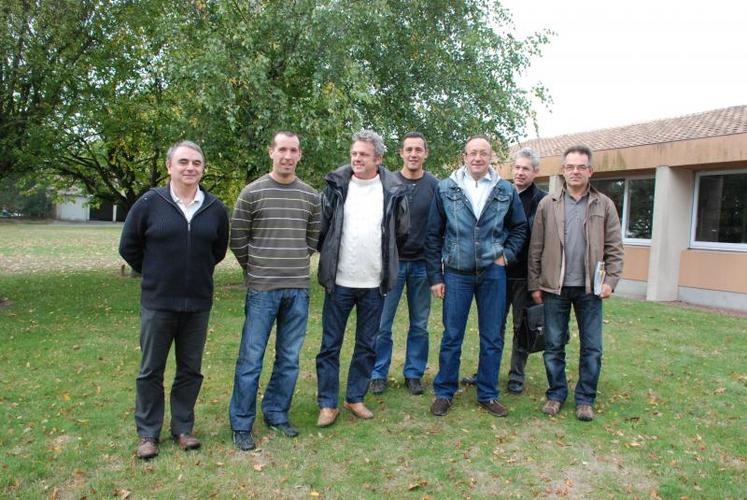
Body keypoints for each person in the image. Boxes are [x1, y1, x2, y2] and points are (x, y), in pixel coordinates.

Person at [119, 140, 229, 459]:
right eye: (183, 162)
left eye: (196, 163)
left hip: (197, 304)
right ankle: (148, 434)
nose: (190, 168)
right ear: (170, 166)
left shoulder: (214, 208)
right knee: (151, 370)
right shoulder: (149, 203)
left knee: (190, 370)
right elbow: (129, 246)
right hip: (158, 304)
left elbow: (217, 251)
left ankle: (183, 428)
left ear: (203, 168)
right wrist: (154, 273)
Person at [228, 131, 320, 451]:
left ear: (299, 154)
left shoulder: (311, 196)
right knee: (251, 359)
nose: (287, 155)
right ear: (271, 152)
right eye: (282, 149)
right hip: (262, 290)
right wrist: (253, 267)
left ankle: (277, 412)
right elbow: (238, 237)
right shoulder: (252, 192)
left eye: (293, 150)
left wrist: (292, 261)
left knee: (289, 359)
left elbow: (313, 238)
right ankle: (241, 423)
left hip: (297, 289)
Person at [425, 135, 527, 418]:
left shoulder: (505, 189)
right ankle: (444, 392)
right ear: (464, 156)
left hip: (493, 274)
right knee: (452, 335)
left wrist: (505, 255)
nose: (478, 158)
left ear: (491, 156)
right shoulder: (446, 188)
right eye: (473, 153)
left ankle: (487, 393)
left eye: (483, 153)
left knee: (492, 336)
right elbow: (433, 234)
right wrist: (436, 276)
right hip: (456, 274)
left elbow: (519, 228)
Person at [315, 129, 409, 426]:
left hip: (374, 284)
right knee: (331, 344)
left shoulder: (393, 190)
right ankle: (328, 404)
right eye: (354, 153)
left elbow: (402, 232)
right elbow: (321, 227)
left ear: (378, 159)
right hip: (339, 281)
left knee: (367, 345)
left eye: (363, 154)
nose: (357, 158)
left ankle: (355, 397)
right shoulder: (336, 186)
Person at [528, 144, 624, 422]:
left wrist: (611, 281)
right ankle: (556, 394)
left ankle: (585, 399)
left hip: (590, 289)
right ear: (563, 170)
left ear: (590, 171)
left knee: (592, 347)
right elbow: (536, 247)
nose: (575, 171)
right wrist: (535, 284)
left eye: (581, 167)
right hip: (554, 289)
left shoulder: (604, 204)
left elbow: (615, 247)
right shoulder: (548, 204)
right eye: (570, 166)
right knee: (554, 344)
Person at [461, 147, 547, 393]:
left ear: (535, 172)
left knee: (522, 327)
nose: (520, 173)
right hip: (495, 273)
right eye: (517, 167)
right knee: (492, 327)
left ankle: (516, 375)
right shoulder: (499, 191)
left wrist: (538, 278)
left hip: (524, 275)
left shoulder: (542, 201)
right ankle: (485, 373)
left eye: (526, 169)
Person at [369, 132, 439, 396]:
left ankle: (414, 373)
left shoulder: (435, 185)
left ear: (425, 153)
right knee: (382, 324)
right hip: (392, 265)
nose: (413, 154)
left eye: (418, 150)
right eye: (408, 149)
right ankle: (378, 373)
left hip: (422, 265)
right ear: (401, 153)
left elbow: (439, 226)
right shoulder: (387, 183)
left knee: (419, 324)